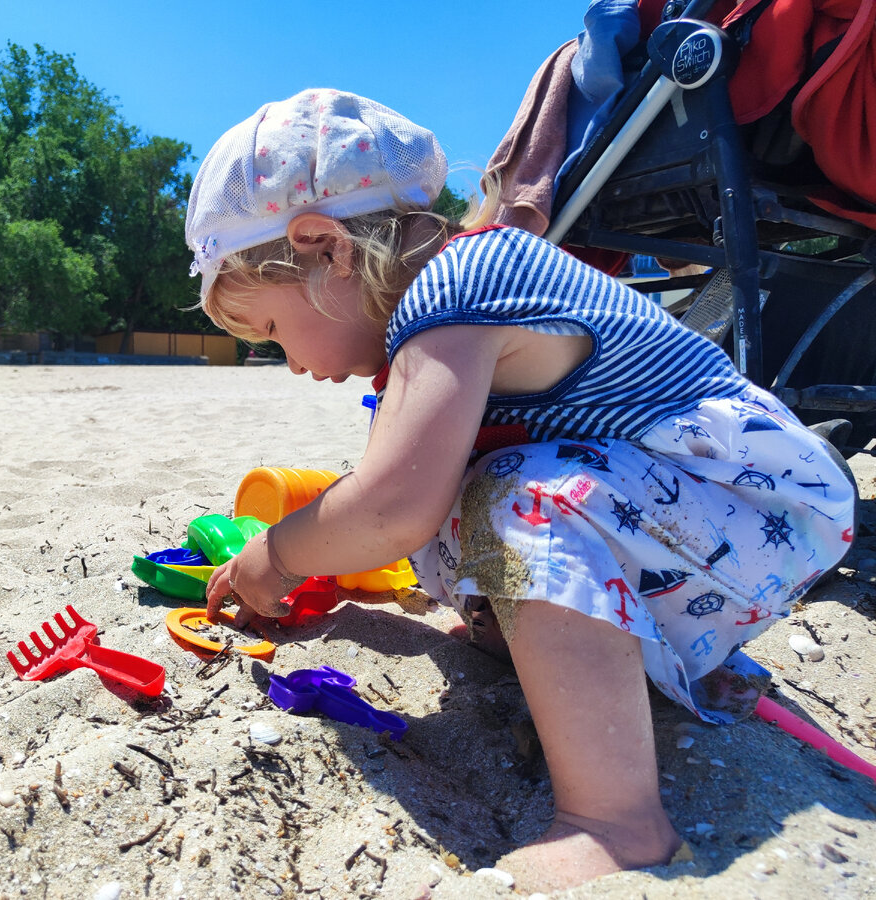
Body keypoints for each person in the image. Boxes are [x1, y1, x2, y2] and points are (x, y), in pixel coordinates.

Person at [185, 89, 854, 893]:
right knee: (473, 496)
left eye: (270, 331)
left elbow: (392, 507)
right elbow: (398, 502)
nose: (289, 361)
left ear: (325, 248)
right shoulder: (433, 321)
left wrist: (279, 555)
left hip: (755, 502)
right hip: (700, 521)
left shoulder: (462, 286)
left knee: (511, 495)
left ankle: (614, 822)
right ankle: (624, 662)